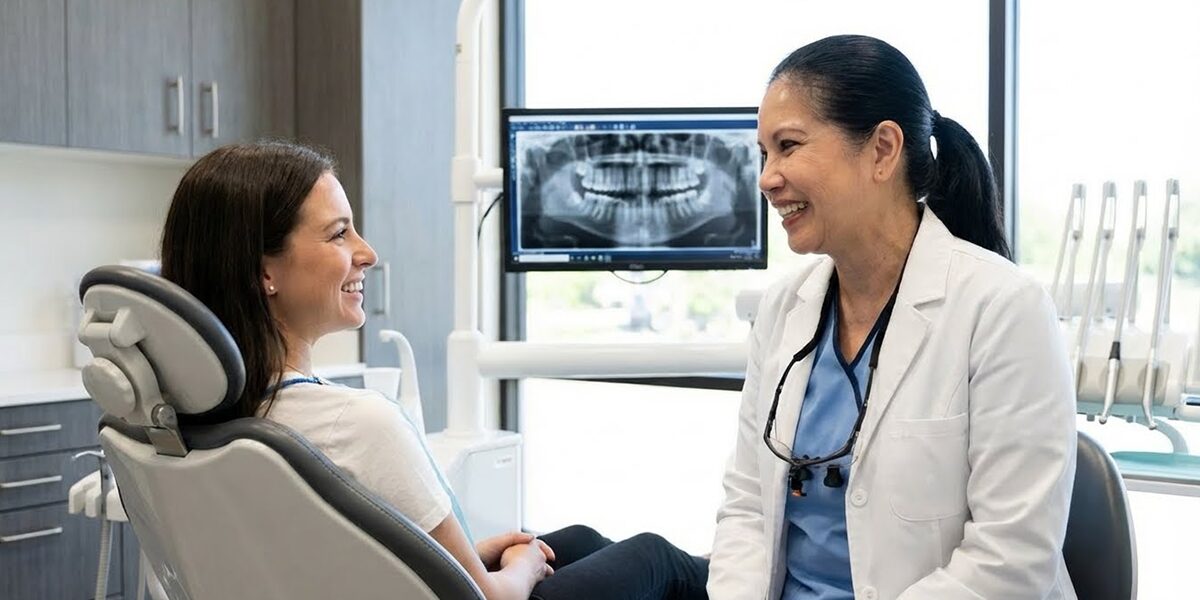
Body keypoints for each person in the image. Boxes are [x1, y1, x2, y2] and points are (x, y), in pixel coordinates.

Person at [159, 141, 709, 600]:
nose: (367, 252)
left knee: (581, 540)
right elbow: (490, 598)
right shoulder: (357, 423)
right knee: (656, 559)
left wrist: (480, 555)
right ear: (264, 273)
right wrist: (517, 568)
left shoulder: (212, 417)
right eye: (338, 234)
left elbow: (319, 556)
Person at [708, 35, 1077, 600]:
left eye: (788, 146)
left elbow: (1011, 558)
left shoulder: (1003, 309)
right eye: (765, 154)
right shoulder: (784, 309)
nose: (767, 178)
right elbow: (746, 509)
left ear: (882, 149)